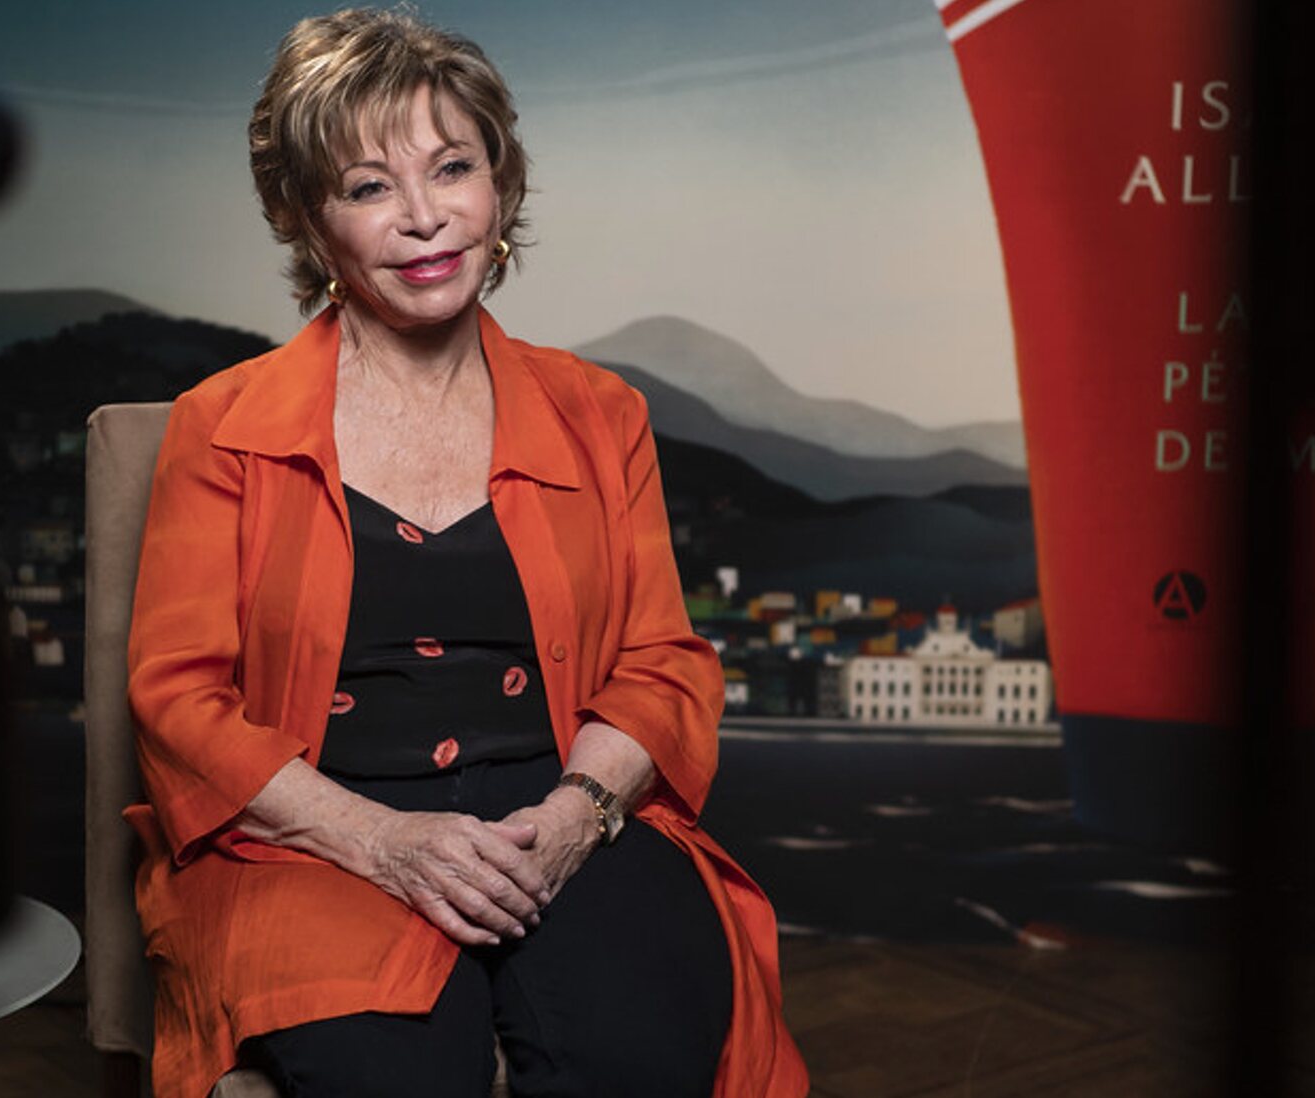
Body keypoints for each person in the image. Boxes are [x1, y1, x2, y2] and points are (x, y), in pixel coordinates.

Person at [124, 9, 808, 1097]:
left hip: (564, 805)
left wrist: (577, 820)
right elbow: (177, 700)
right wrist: (383, 842)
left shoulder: (601, 411)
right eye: (367, 186)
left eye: (453, 167)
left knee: (633, 1061)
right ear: (306, 219)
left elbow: (661, 664)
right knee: (394, 1079)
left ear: (502, 185)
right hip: (316, 827)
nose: (424, 217)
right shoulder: (223, 425)